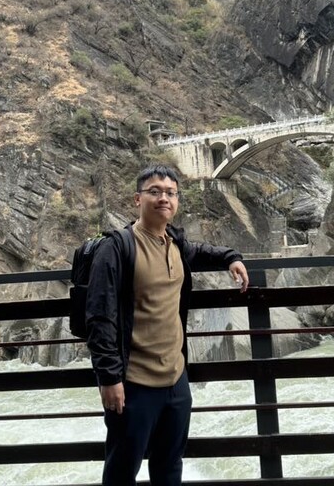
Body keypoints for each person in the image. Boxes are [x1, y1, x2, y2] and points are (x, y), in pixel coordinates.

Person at [85, 165, 249, 486]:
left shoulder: (174, 243)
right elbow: (99, 316)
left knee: (170, 468)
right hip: (133, 384)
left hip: (176, 382)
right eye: (155, 191)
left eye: (171, 193)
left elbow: (201, 252)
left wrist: (231, 257)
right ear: (138, 199)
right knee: (121, 471)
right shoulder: (117, 248)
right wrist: (109, 378)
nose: (164, 198)